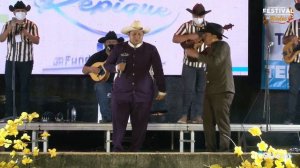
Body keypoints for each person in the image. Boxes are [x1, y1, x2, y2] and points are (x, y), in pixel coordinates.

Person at [104, 20, 166, 152]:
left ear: (143, 35)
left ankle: (135, 151)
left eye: (139, 34)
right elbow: (106, 65)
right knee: (119, 122)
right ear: (129, 35)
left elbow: (158, 70)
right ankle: (117, 149)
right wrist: (116, 67)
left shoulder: (151, 49)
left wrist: (162, 89)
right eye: (134, 34)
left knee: (140, 124)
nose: (137, 37)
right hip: (121, 92)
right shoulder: (119, 47)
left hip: (143, 92)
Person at [185, 23, 235, 152]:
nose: (203, 37)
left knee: (222, 122)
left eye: (205, 34)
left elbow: (215, 61)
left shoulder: (223, 46)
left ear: (213, 35)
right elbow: (194, 60)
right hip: (210, 90)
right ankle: (210, 151)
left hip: (223, 90)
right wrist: (194, 48)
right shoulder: (210, 47)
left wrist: (196, 54)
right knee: (208, 123)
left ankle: (224, 152)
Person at [172, 3, 211, 124]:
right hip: (188, 64)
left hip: (203, 65)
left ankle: (198, 116)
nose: (198, 17)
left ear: (204, 15)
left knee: (201, 90)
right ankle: (184, 115)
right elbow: (175, 38)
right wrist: (190, 36)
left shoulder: (209, 27)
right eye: (196, 15)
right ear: (192, 14)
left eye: (200, 15)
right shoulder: (186, 25)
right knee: (188, 90)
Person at [0, 1, 39, 118]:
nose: (20, 13)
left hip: (26, 60)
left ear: (26, 12)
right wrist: (10, 28)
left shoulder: (32, 25)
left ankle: (24, 114)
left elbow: (37, 41)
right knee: (9, 87)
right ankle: (10, 113)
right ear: (14, 12)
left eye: (22, 11)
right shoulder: (7, 24)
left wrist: (25, 33)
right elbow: (1, 39)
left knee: (24, 87)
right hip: (11, 60)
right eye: (18, 11)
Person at [82, 31, 124, 123]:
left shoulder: (122, 55)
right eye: (109, 42)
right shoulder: (97, 56)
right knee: (99, 87)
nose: (111, 43)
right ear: (105, 43)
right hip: (105, 84)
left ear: (117, 43)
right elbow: (84, 70)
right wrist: (92, 69)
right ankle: (107, 119)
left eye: (114, 41)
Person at [282, 1, 300, 124]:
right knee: (293, 90)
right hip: (295, 62)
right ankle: (290, 119)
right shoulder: (293, 24)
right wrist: (291, 38)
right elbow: (284, 40)